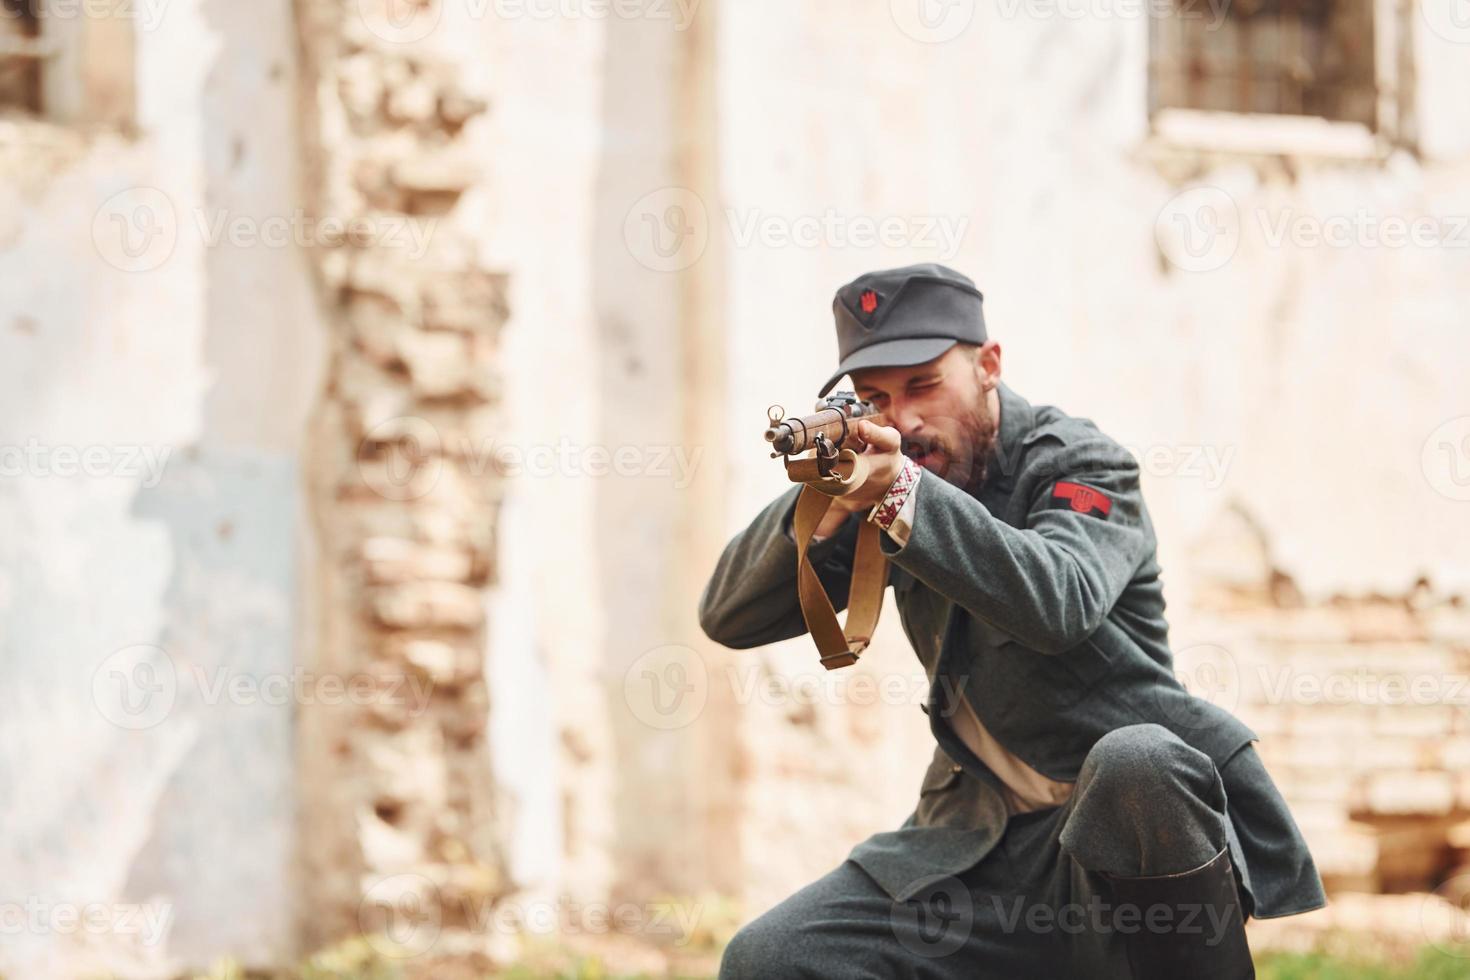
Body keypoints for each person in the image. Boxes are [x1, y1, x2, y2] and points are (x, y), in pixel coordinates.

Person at [699, 264, 1325, 979]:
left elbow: (1056, 601)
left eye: (924, 385)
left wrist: (903, 491)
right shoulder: (899, 479)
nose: (902, 419)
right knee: (771, 957)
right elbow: (729, 616)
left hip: (1125, 838)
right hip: (975, 846)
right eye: (875, 398)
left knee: (1140, 759)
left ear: (988, 365)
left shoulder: (1080, 462)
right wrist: (826, 509)